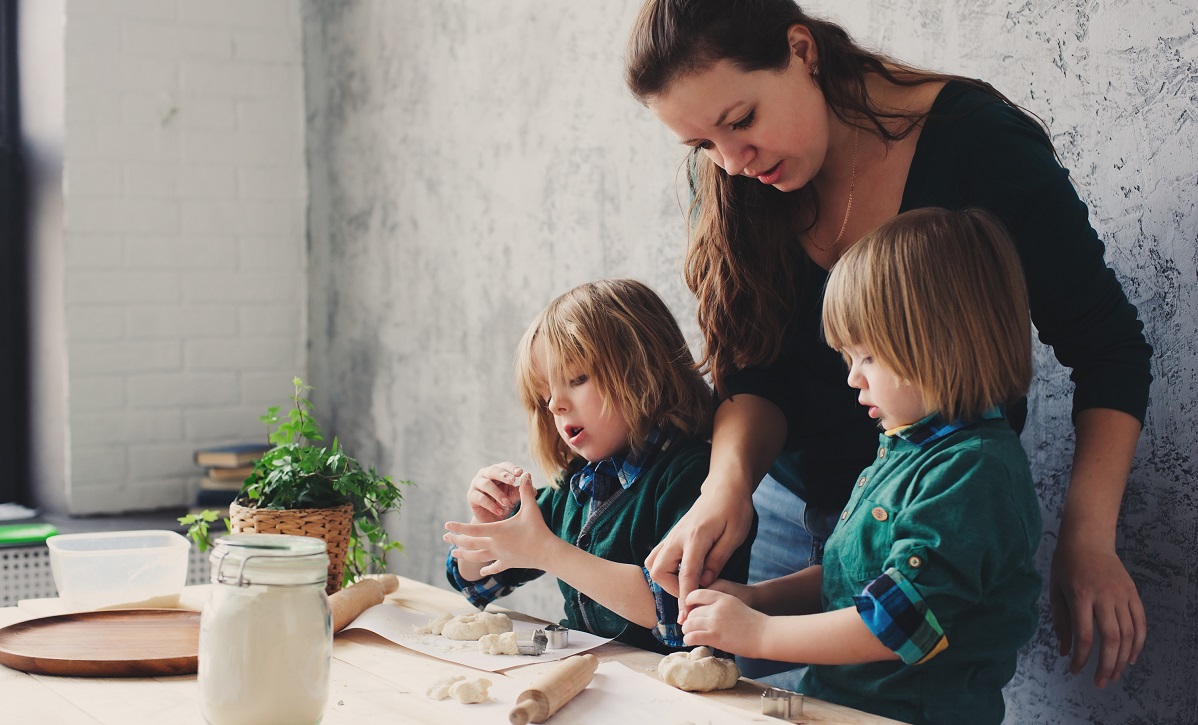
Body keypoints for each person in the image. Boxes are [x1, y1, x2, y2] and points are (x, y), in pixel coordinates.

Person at [625, 0, 1151, 689]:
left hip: (930, 516)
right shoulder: (733, 177)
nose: (729, 163)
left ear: (801, 50)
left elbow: (1107, 346)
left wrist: (1087, 536)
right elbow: (755, 371)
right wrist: (726, 490)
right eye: (701, 146)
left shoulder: (980, 146)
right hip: (798, 524)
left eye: (740, 121)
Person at [680, 207, 1042, 724]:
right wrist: (759, 599)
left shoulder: (972, 475)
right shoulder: (905, 449)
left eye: (867, 356)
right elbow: (850, 575)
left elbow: (899, 624)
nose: (853, 379)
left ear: (941, 340)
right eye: (847, 359)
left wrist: (757, 633)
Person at [442, 278, 754, 653]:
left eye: (576, 379)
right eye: (545, 396)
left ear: (644, 368)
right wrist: (488, 523)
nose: (556, 405)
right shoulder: (574, 487)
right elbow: (476, 585)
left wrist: (547, 551)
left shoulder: (693, 477)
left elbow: (677, 614)